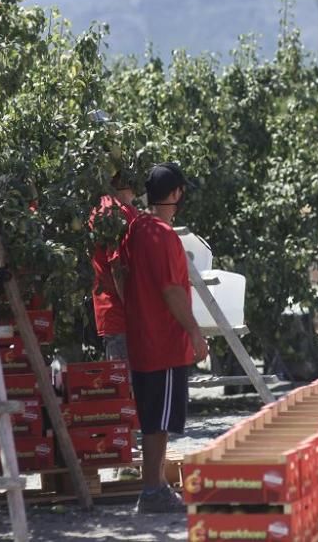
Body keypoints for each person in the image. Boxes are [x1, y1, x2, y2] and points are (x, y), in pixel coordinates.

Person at [122, 162, 210, 512]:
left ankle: (155, 485)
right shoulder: (163, 234)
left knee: (151, 418)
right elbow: (172, 291)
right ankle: (152, 491)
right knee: (159, 423)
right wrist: (194, 332)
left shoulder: (136, 228)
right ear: (176, 194)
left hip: (142, 338)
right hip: (164, 343)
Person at [89, 171, 138, 361]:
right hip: (122, 316)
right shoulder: (114, 212)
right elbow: (117, 269)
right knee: (126, 383)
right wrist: (134, 310)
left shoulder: (109, 207)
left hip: (116, 315)